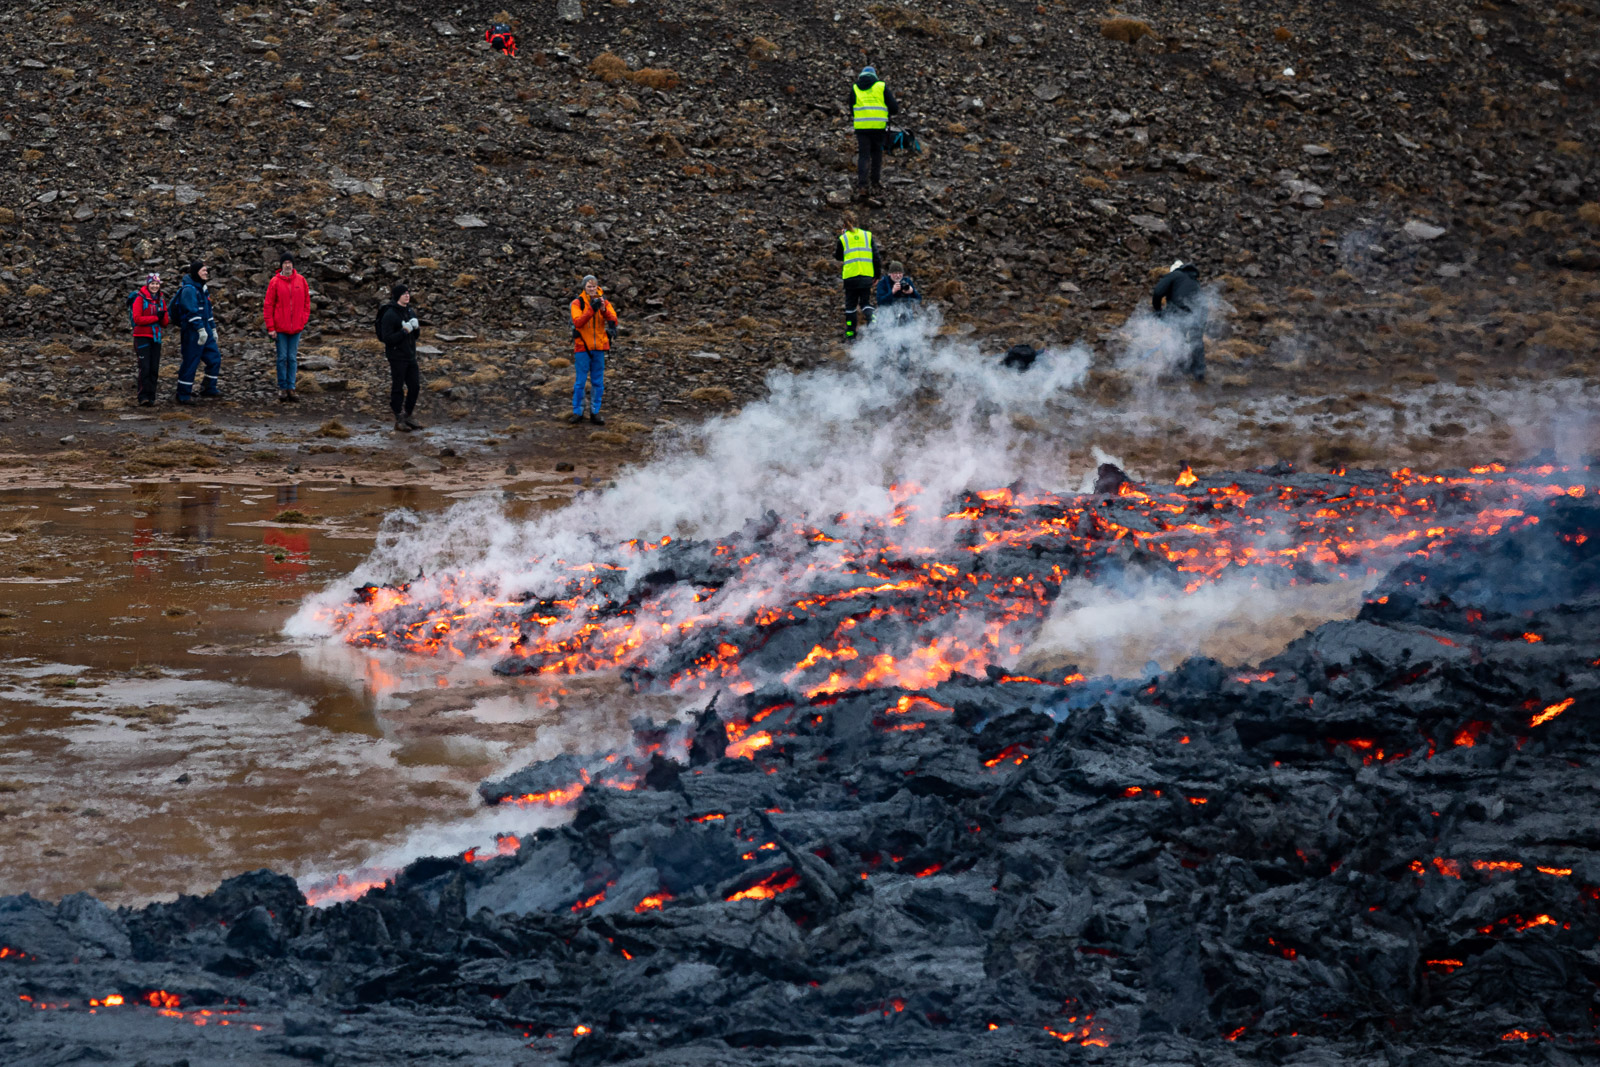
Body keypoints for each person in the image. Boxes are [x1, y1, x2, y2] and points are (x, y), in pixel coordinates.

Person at [568, 274, 617, 426]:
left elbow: (613, 319)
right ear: (584, 287)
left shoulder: (604, 301)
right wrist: (591, 309)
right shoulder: (577, 303)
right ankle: (578, 412)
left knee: (598, 382)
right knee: (580, 382)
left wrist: (603, 309)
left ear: (597, 287)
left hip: (599, 347)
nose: (591, 289)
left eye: (594, 286)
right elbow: (578, 322)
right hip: (582, 346)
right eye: (589, 286)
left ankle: (595, 412)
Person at [264, 252, 311, 403]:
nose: (287, 265)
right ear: (281, 265)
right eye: (285, 263)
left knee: (292, 358)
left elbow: (307, 303)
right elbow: (268, 305)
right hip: (280, 328)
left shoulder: (301, 280)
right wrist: (271, 327)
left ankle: (291, 387)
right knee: (282, 357)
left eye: (289, 263)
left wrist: (303, 320)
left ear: (293, 265)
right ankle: (283, 387)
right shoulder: (275, 282)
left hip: (296, 328)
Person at [173, 260, 222, 403]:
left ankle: (209, 387)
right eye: (203, 270)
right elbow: (191, 311)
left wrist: (212, 328)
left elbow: (207, 311)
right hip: (192, 331)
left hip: (205, 328)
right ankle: (183, 394)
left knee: (214, 358)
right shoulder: (189, 290)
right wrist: (200, 329)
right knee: (191, 361)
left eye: (206, 270)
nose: (206, 273)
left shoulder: (202, 288)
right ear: (196, 272)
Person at [849, 65, 900, 201]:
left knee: (863, 155)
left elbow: (851, 108)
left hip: (862, 127)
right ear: (874, 76)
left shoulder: (855, 88)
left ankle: (862, 186)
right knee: (876, 154)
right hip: (878, 127)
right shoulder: (881, 86)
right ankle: (875, 182)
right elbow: (894, 108)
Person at [377, 284, 422, 432]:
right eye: (404, 294)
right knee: (398, 387)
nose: (407, 295)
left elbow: (415, 336)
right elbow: (387, 339)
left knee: (415, 386)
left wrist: (416, 328)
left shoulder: (410, 311)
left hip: (410, 355)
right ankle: (399, 418)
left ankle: (408, 414)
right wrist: (404, 331)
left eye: (408, 293)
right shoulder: (390, 314)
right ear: (397, 296)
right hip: (396, 356)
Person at [1151, 259, 1206, 382]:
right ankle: (1199, 373)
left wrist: (1158, 310)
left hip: (1181, 312)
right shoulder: (1194, 281)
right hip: (1200, 313)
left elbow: (1158, 292)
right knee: (1196, 341)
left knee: (1178, 338)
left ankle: (1178, 370)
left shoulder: (1175, 275)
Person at [833, 215, 881, 340]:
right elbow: (876, 257)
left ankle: (850, 333)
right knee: (865, 303)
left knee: (850, 306)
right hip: (866, 276)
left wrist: (843, 236)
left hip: (851, 277)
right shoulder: (867, 235)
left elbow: (838, 256)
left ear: (844, 225)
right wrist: (877, 275)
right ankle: (872, 319)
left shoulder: (843, 238)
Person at [129, 273, 169, 407]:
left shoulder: (160, 300)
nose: (155, 286)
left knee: (154, 368)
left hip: (156, 337)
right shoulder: (140, 299)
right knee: (145, 367)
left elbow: (165, 323)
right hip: (142, 337)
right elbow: (137, 319)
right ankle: (143, 397)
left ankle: (151, 397)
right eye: (152, 283)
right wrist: (156, 317)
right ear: (148, 284)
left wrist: (162, 317)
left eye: (157, 284)